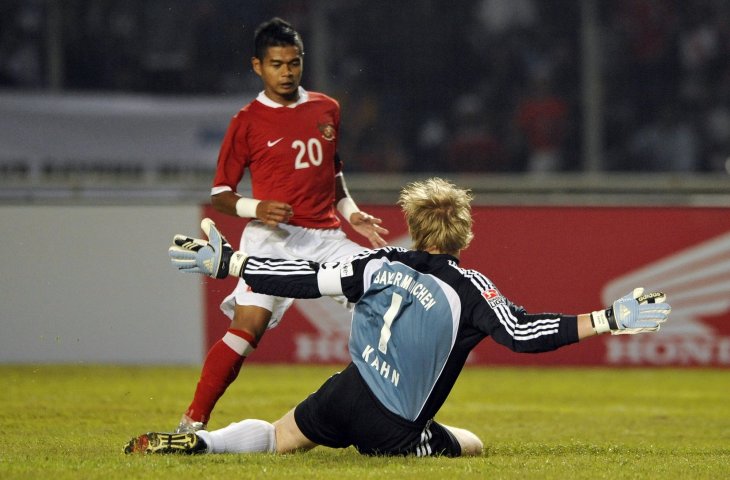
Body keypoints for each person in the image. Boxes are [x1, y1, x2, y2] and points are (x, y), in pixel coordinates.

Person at [125, 177, 671, 457]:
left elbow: (304, 279)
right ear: (465, 234)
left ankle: (204, 443)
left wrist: (232, 262)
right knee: (473, 443)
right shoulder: (471, 288)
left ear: (411, 223)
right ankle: (424, 439)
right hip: (394, 430)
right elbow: (524, 335)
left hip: (344, 393)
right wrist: (609, 319)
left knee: (276, 436)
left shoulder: (376, 262)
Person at [175, 17, 389, 434]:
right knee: (248, 327)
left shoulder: (327, 107)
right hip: (271, 239)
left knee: (385, 293)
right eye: (277, 64)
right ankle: (192, 421)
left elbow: (333, 172)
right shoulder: (247, 121)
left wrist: (352, 212)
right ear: (257, 66)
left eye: (293, 63)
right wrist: (257, 207)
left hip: (326, 237)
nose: (287, 72)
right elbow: (221, 193)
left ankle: (391, 411)